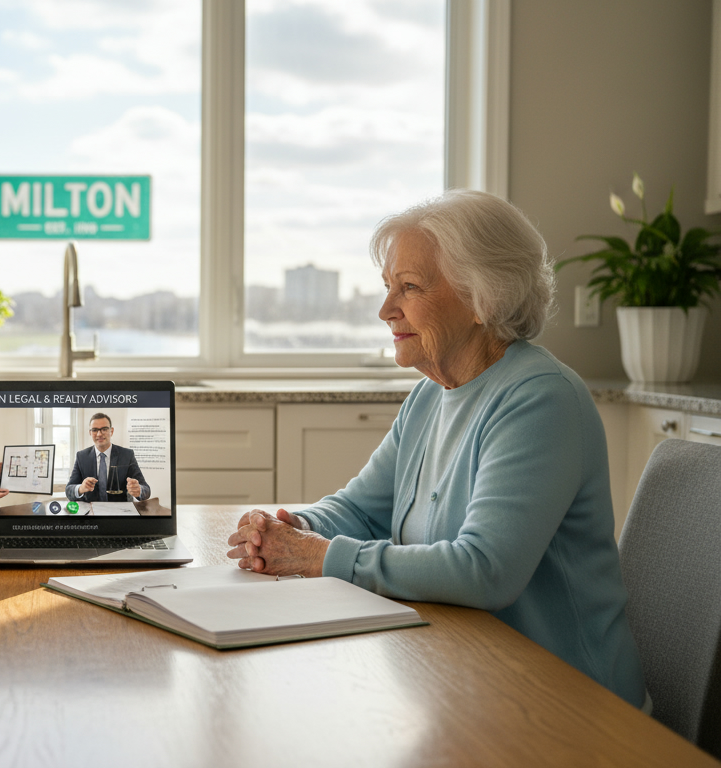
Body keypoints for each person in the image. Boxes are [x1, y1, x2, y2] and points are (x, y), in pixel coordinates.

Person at [225, 189, 646, 707]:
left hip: (569, 708)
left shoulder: (540, 399)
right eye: (387, 287)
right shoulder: (431, 394)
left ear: (481, 297)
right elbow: (361, 508)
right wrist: (291, 527)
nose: (385, 310)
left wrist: (320, 557)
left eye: (409, 287)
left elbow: (485, 570)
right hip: (466, 678)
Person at [66, 413, 150, 502]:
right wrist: (80, 488)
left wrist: (139, 490)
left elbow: (146, 490)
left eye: (104, 429)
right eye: (95, 430)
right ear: (90, 433)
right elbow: (69, 490)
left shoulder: (127, 455)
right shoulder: (81, 456)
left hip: (119, 512)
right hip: (91, 512)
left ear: (111, 431)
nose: (99, 434)